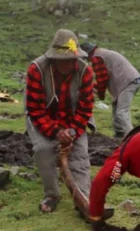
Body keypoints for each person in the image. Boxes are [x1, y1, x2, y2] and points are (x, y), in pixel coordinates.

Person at [25, 29, 94, 214]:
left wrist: (72, 133)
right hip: (44, 119)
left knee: (79, 155)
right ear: (53, 57)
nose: (67, 64)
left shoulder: (85, 71)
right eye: (62, 59)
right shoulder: (36, 70)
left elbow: (86, 108)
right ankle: (52, 195)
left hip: (74, 120)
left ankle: (84, 201)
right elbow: (35, 109)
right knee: (44, 150)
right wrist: (56, 132)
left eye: (71, 59)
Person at [81, 42, 140, 138]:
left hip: (127, 82)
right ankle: (119, 134)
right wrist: (94, 87)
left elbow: (102, 78)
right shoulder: (101, 53)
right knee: (116, 107)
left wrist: (100, 94)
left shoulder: (96, 57)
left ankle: (133, 137)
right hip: (129, 80)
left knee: (121, 112)